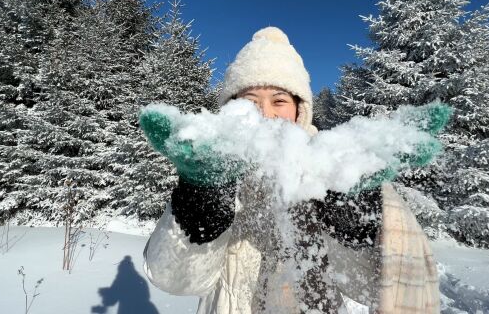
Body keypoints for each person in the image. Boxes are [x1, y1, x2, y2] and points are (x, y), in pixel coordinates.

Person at [141, 27, 440, 313]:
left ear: (300, 110)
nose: (265, 113)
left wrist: (350, 216)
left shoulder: (327, 169)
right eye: (250, 101)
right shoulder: (212, 168)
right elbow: (173, 279)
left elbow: (369, 285)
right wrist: (203, 197)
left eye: (279, 101)